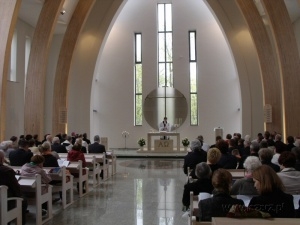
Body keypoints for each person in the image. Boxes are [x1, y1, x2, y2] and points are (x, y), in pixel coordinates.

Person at [0, 151, 28, 225]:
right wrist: (20, 195)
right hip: (5, 201)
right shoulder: (7, 171)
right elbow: (16, 188)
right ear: (2, 159)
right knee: (23, 200)